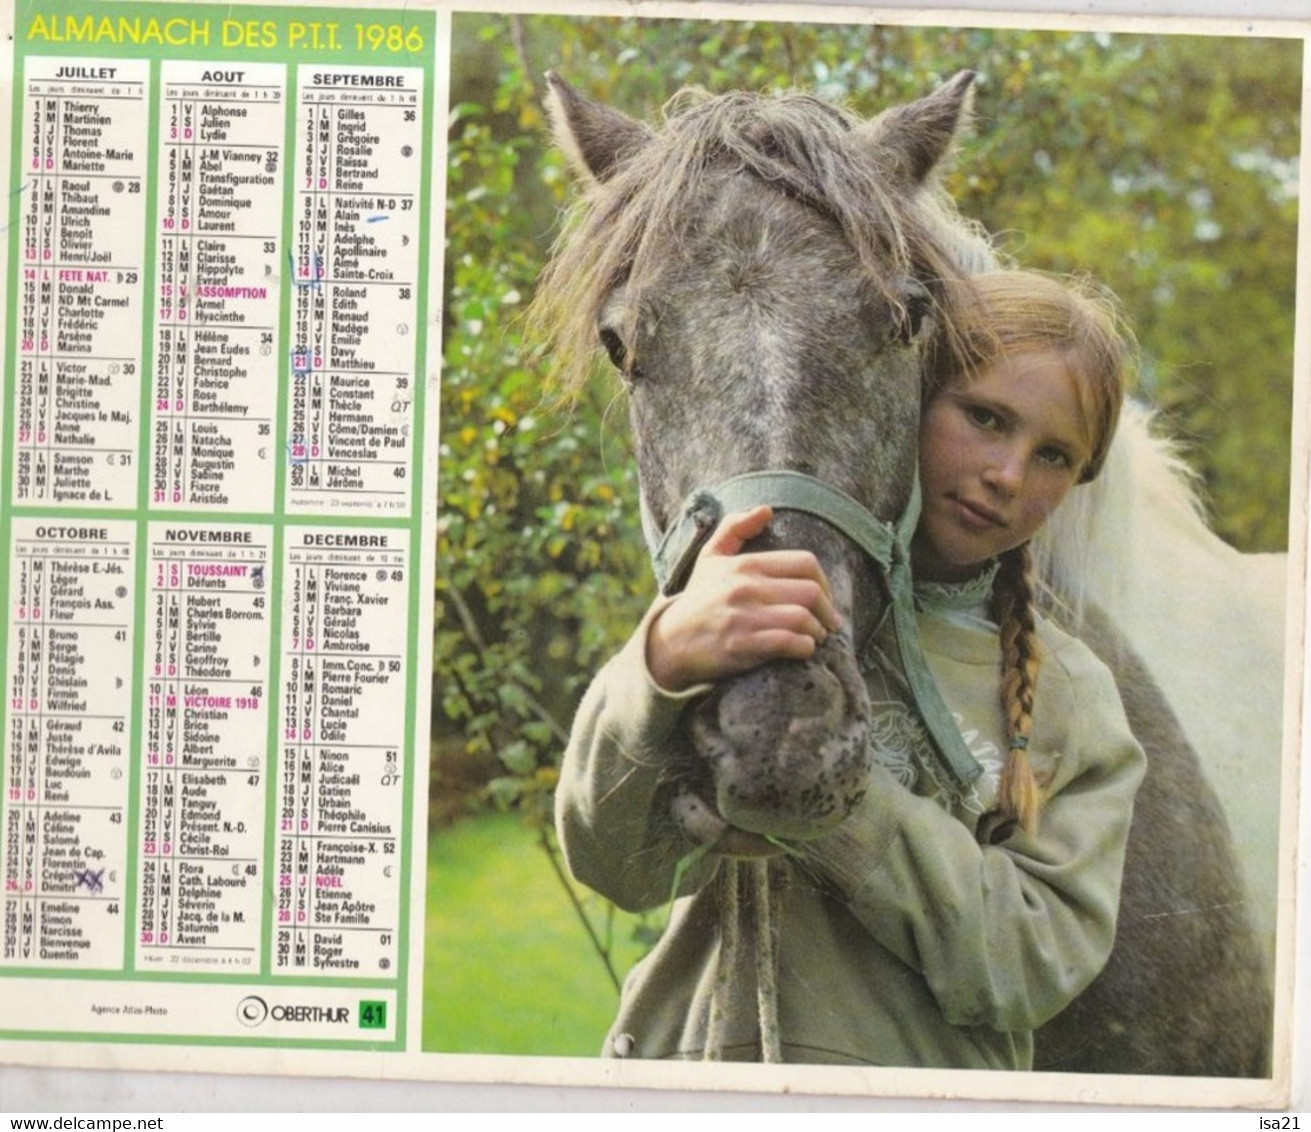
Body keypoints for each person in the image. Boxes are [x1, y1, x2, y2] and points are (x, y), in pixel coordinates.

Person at [554, 269, 1147, 1068]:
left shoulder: (1074, 700)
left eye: (1052, 455)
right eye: (983, 418)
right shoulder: (753, 610)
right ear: (902, 399)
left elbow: (1028, 967)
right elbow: (616, 866)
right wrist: (656, 660)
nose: (1007, 474)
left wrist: (826, 786)